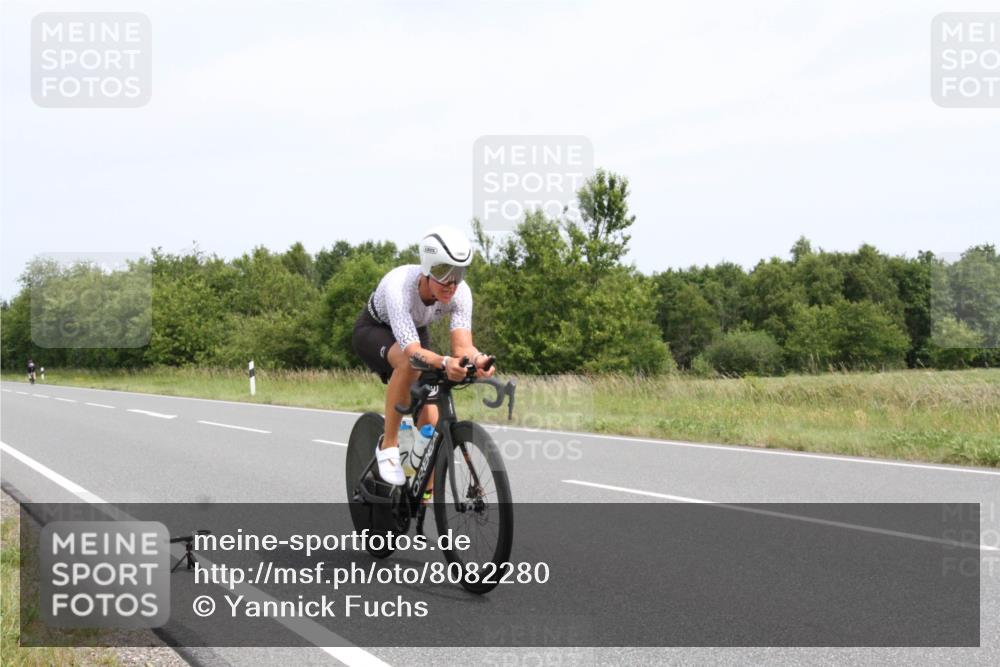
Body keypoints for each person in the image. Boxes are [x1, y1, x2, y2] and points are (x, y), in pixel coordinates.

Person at [352, 226, 495, 486]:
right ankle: (389, 445)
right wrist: (444, 362)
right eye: (443, 272)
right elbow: (413, 352)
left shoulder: (460, 292)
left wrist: (476, 360)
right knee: (411, 364)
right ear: (427, 268)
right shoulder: (399, 286)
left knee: (430, 416)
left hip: (415, 332)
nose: (451, 283)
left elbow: (462, 347)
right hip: (375, 331)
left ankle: (423, 496)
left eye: (459, 273)